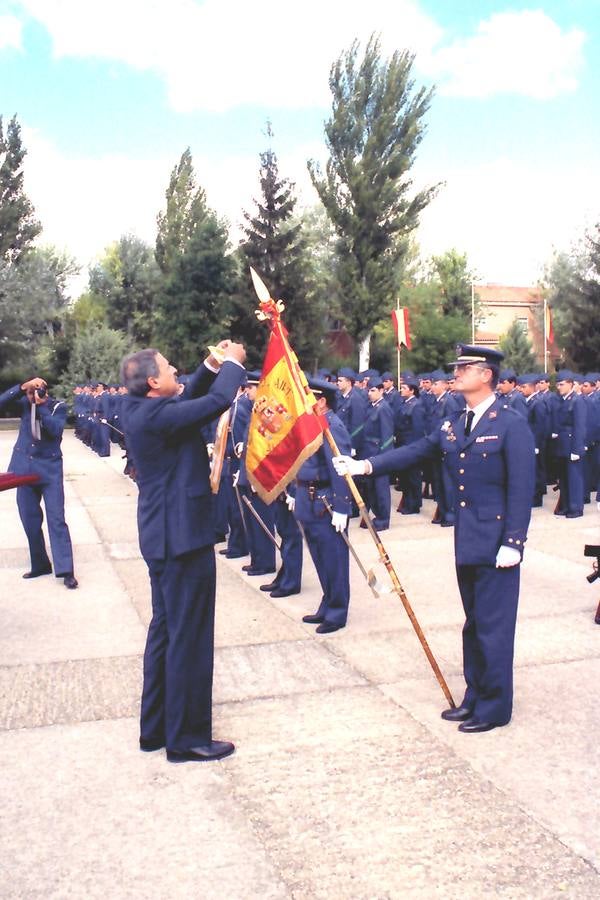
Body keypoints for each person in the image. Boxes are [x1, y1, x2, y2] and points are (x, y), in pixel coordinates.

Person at [333, 344, 535, 733]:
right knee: (474, 625)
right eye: (456, 368)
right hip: (469, 539)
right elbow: (415, 451)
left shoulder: (510, 423)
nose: (455, 374)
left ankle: (494, 708)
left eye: (464, 368)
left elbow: (522, 488)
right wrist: (365, 465)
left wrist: (515, 541)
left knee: (494, 627)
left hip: (497, 543)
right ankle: (475, 696)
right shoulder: (456, 422)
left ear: (486, 375)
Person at [120, 341, 246, 763]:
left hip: (163, 537)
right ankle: (187, 738)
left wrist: (211, 363)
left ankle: (155, 728)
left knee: (166, 632)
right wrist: (232, 364)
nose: (177, 370)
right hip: (182, 538)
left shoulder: (144, 410)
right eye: (170, 367)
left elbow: (190, 398)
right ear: (154, 382)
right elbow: (215, 400)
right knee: (189, 638)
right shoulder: (157, 417)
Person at [0, 377, 78, 589]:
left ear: (46, 391)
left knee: (56, 518)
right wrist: (21, 388)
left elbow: (55, 430)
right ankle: (40, 563)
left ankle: (66, 570)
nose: (35, 393)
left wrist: (40, 406)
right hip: (23, 467)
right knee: (29, 519)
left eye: (40, 390)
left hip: (49, 469)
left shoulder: (58, 407)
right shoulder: (25, 402)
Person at [296, 378, 352, 634]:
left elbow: (340, 468)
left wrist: (342, 507)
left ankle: (337, 611)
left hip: (325, 501)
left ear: (321, 400)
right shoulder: (309, 424)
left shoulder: (332, 426)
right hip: (308, 499)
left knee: (334, 559)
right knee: (319, 558)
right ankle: (327, 602)